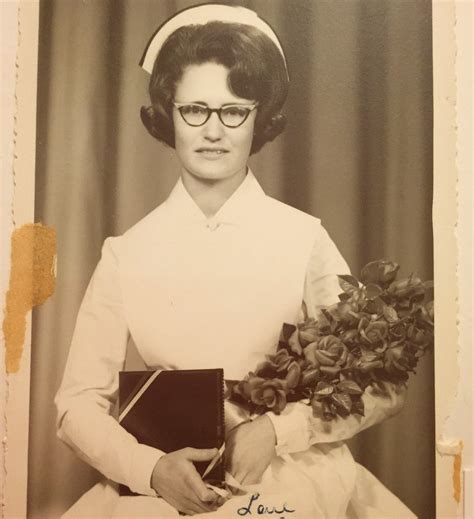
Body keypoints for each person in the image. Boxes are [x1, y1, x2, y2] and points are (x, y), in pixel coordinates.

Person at [55, 4, 415, 518]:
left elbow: (383, 385)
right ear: (167, 115)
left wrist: (279, 430)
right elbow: (75, 406)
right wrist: (148, 469)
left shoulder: (302, 237)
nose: (213, 130)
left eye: (234, 110)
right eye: (194, 109)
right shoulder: (126, 252)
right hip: (168, 475)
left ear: (259, 120)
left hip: (291, 474)